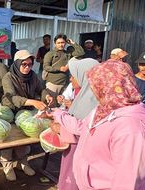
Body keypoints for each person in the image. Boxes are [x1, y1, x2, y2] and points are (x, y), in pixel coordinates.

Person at [41, 59, 145, 189]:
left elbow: (128, 183)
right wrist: (58, 114)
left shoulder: (132, 129)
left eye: (96, 85)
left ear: (108, 86)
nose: (94, 90)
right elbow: (83, 127)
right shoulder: (103, 110)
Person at [1, 50, 53, 181]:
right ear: (17, 63)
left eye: (30, 64)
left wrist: (46, 95)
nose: (27, 67)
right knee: (9, 140)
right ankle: (7, 166)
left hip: (26, 112)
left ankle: (22, 162)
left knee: (24, 140)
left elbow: (41, 89)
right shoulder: (8, 77)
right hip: (10, 111)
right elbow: (11, 96)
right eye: (24, 64)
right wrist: (32, 101)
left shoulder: (33, 75)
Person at [55, 57, 99, 190]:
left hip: (79, 154)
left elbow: (81, 129)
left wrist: (60, 125)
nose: (70, 79)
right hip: (73, 152)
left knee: (74, 179)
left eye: (73, 76)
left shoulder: (92, 101)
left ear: (84, 76)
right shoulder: (85, 95)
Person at [43, 34, 84, 105]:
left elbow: (81, 53)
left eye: (63, 42)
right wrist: (59, 69)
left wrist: (72, 43)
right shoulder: (50, 54)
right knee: (51, 105)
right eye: (58, 43)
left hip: (65, 84)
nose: (61, 45)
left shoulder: (68, 53)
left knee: (62, 105)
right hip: (53, 83)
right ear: (55, 43)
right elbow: (46, 67)